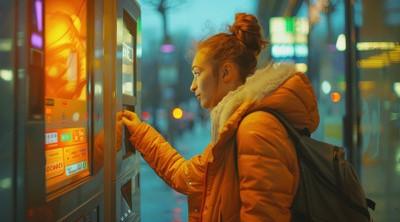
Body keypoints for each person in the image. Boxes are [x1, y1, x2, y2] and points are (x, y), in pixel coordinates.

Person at [122, 12, 319, 222]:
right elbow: (185, 175)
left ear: (226, 73)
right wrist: (140, 132)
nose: (192, 85)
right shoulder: (235, 131)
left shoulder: (256, 130)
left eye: (198, 73)